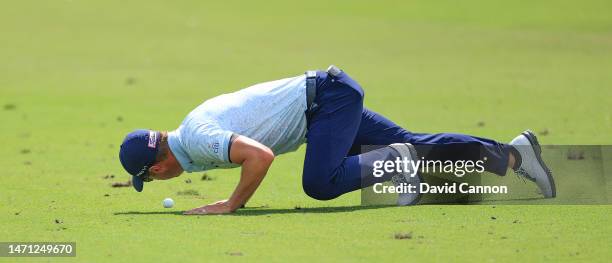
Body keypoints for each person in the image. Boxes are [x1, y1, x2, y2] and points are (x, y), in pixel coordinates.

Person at [119, 65, 555, 215]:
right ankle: (514, 155)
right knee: (413, 141)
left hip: (325, 102)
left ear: (156, 168)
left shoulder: (196, 139)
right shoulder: (190, 128)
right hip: (330, 94)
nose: (160, 181)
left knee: (321, 183)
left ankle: (396, 161)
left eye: (152, 179)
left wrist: (231, 204)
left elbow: (261, 157)